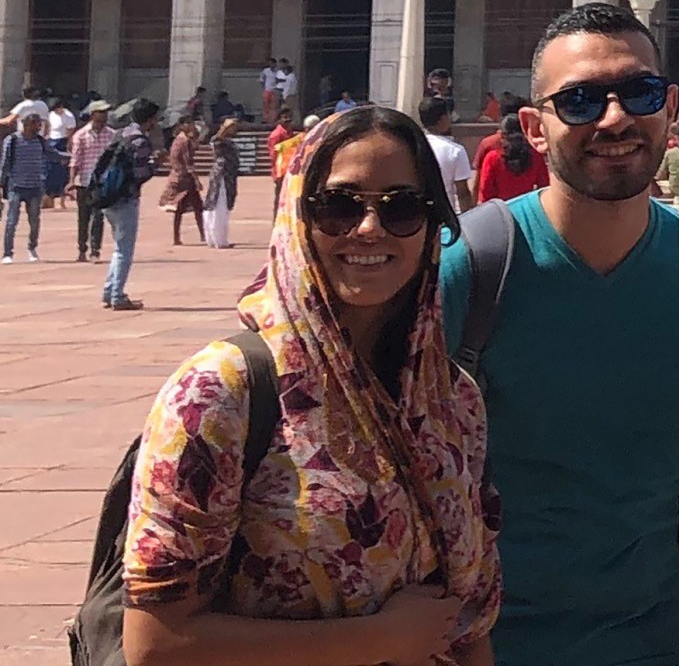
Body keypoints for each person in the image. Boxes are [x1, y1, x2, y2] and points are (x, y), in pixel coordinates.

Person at [440, 0, 679, 666]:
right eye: (582, 100)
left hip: (649, 643)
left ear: (670, 105)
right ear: (535, 127)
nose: (615, 118)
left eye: (638, 92)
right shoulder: (471, 268)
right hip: (483, 648)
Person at [118, 106, 499, 664]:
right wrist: (379, 640)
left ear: (431, 225)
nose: (369, 229)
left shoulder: (450, 397)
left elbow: (466, 621)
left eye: (402, 208)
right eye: (339, 206)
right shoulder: (220, 392)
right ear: (298, 215)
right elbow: (155, 643)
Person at [102, 98, 164, 309]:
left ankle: (110, 291)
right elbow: (139, 174)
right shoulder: (139, 140)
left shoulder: (120, 134)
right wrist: (156, 163)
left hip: (107, 196)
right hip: (125, 198)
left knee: (118, 247)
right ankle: (117, 296)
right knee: (124, 249)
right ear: (149, 120)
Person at [69, 96, 115, 262]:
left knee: (98, 216)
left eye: (105, 112)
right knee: (83, 217)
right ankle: (82, 248)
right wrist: (71, 181)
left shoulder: (111, 135)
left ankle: (95, 250)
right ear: (93, 114)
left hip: (102, 182)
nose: (104, 116)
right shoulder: (81, 135)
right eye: (101, 112)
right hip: (84, 181)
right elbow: (75, 160)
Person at [1, 101, 49, 259]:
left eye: (39, 124)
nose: (39, 127)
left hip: (35, 187)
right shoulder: (12, 140)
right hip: (16, 186)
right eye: (36, 124)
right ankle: (8, 253)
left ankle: (32, 248)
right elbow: (5, 163)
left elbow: (54, 154)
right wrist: (1, 184)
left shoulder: (40, 141)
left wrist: (71, 158)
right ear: (26, 124)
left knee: (34, 220)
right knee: (11, 221)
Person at [472, 106, 547, 204]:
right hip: (525, 209)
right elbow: (544, 187)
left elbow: (485, 193)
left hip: (499, 211)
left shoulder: (493, 158)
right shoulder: (536, 156)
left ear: (502, 135)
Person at [161, 112, 207, 246]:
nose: (192, 126)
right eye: (190, 123)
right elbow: (188, 163)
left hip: (178, 176)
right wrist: (197, 180)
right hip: (185, 178)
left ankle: (179, 237)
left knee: (184, 209)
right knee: (195, 207)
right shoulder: (184, 141)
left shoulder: (179, 139)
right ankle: (202, 235)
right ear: (183, 125)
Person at [420, 101, 474, 210]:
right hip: (444, 215)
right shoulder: (455, 151)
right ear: (443, 119)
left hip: (416, 216)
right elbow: (462, 193)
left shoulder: (411, 146)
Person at [200, 113, 243, 248]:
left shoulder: (229, 141)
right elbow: (215, 139)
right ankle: (218, 240)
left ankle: (218, 238)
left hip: (229, 175)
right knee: (218, 206)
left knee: (224, 207)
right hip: (221, 176)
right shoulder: (219, 141)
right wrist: (224, 128)